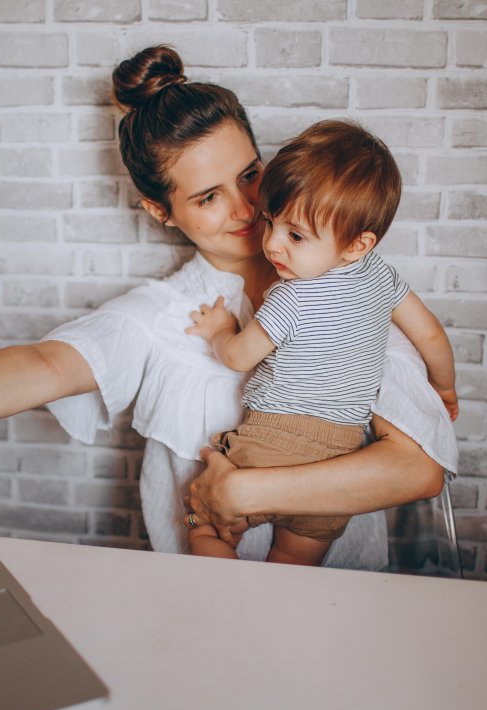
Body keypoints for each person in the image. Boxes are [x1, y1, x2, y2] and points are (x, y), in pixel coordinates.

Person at [0, 45, 458, 570]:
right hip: (199, 624)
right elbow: (41, 365)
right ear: (162, 211)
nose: (248, 209)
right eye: (208, 196)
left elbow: (417, 468)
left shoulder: (349, 284)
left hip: (340, 618)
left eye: (250, 175)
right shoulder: (162, 317)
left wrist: (242, 496)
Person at [185, 119, 458, 565]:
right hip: (337, 463)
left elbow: (237, 357)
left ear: (357, 244)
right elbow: (430, 334)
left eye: (295, 235)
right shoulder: (382, 277)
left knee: (204, 523)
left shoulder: (290, 298)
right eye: (270, 221)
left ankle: (219, 592)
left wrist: (219, 330)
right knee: (294, 569)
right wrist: (444, 389)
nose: (272, 244)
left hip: (267, 446)